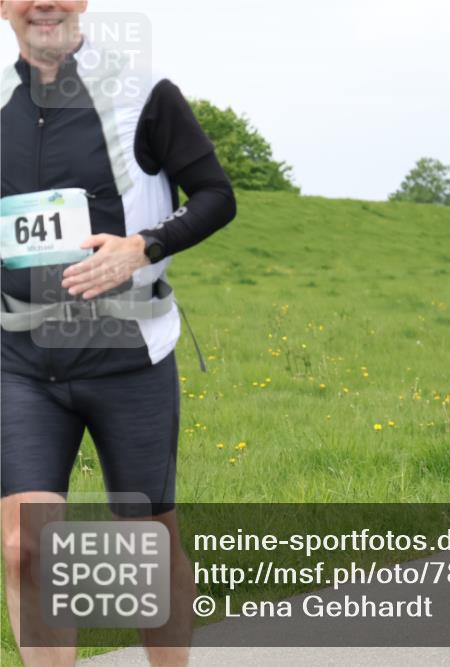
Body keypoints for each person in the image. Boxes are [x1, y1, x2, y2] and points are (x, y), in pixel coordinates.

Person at [1, 1, 236, 664]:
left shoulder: (144, 95)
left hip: (129, 356)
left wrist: (145, 246)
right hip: (19, 359)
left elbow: (217, 195)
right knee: (25, 545)